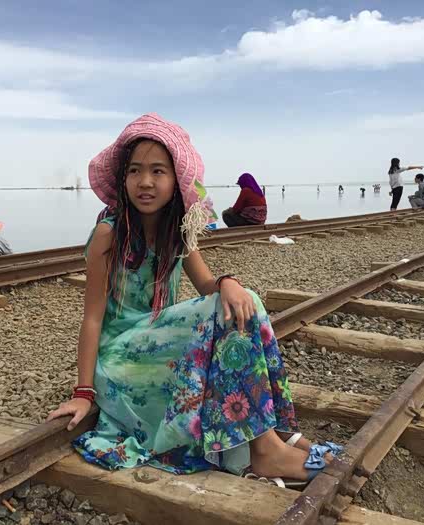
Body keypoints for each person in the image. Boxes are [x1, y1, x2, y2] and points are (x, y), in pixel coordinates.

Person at [46, 113, 341, 486]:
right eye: (135, 171)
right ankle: (267, 450)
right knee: (227, 307)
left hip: (152, 343)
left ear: (176, 181)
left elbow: (205, 283)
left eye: (158, 171)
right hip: (120, 357)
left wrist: (228, 282)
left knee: (242, 299)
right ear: (123, 179)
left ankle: (273, 433)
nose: (145, 182)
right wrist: (84, 392)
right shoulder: (109, 233)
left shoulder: (178, 229)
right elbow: (92, 318)